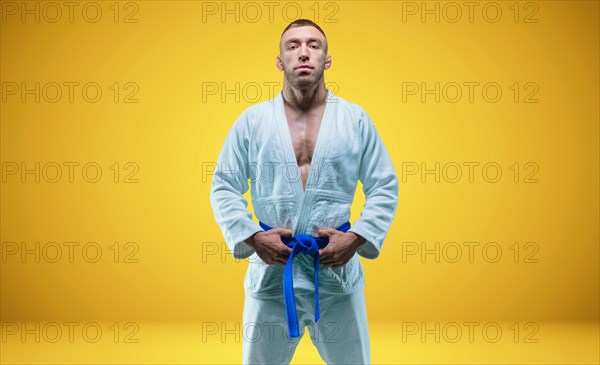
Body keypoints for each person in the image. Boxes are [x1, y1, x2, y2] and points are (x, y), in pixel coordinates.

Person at [210, 19, 399, 365]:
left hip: (336, 271)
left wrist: (355, 238)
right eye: (293, 46)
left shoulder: (355, 120)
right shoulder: (252, 121)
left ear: (327, 59)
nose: (303, 53)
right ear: (280, 61)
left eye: (314, 45)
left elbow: (384, 186)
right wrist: (254, 237)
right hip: (272, 273)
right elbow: (224, 185)